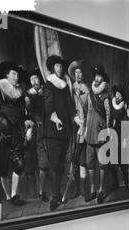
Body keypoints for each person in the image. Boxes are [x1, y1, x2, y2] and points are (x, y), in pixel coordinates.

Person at [0, 61, 34, 205]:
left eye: (17, 74)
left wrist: (29, 126)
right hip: (2, 131)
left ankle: (14, 195)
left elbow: (26, 113)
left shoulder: (21, 91)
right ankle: (7, 195)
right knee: (2, 166)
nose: (16, 76)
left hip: (17, 131)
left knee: (19, 164)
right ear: (7, 74)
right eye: (13, 73)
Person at [43, 55, 75, 211]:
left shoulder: (65, 85)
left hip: (66, 131)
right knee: (55, 166)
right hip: (54, 131)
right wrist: (55, 118)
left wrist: (76, 118)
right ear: (52, 68)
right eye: (56, 66)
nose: (60, 68)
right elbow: (48, 107)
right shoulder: (49, 85)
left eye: (61, 66)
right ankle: (55, 197)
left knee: (62, 165)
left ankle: (59, 194)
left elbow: (70, 107)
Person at [67, 60, 93, 202]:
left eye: (80, 72)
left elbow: (90, 109)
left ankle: (84, 190)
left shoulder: (87, 89)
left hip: (84, 127)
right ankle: (73, 189)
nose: (78, 74)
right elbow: (68, 107)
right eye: (75, 72)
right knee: (72, 156)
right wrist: (75, 118)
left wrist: (86, 126)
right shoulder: (70, 88)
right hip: (73, 126)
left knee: (83, 157)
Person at [86, 65, 111, 203]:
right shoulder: (91, 93)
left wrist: (107, 130)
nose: (97, 78)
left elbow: (108, 113)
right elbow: (89, 111)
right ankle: (92, 190)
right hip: (90, 131)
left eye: (99, 76)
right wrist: (85, 128)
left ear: (102, 78)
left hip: (100, 130)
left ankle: (101, 190)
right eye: (95, 76)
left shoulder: (106, 95)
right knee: (90, 162)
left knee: (102, 163)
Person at [24, 68, 50, 202]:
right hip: (31, 129)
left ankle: (42, 192)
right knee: (29, 160)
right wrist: (28, 128)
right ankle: (31, 191)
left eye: (36, 78)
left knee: (43, 162)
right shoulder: (27, 95)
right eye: (32, 79)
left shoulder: (45, 92)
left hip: (44, 128)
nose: (35, 81)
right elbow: (26, 113)